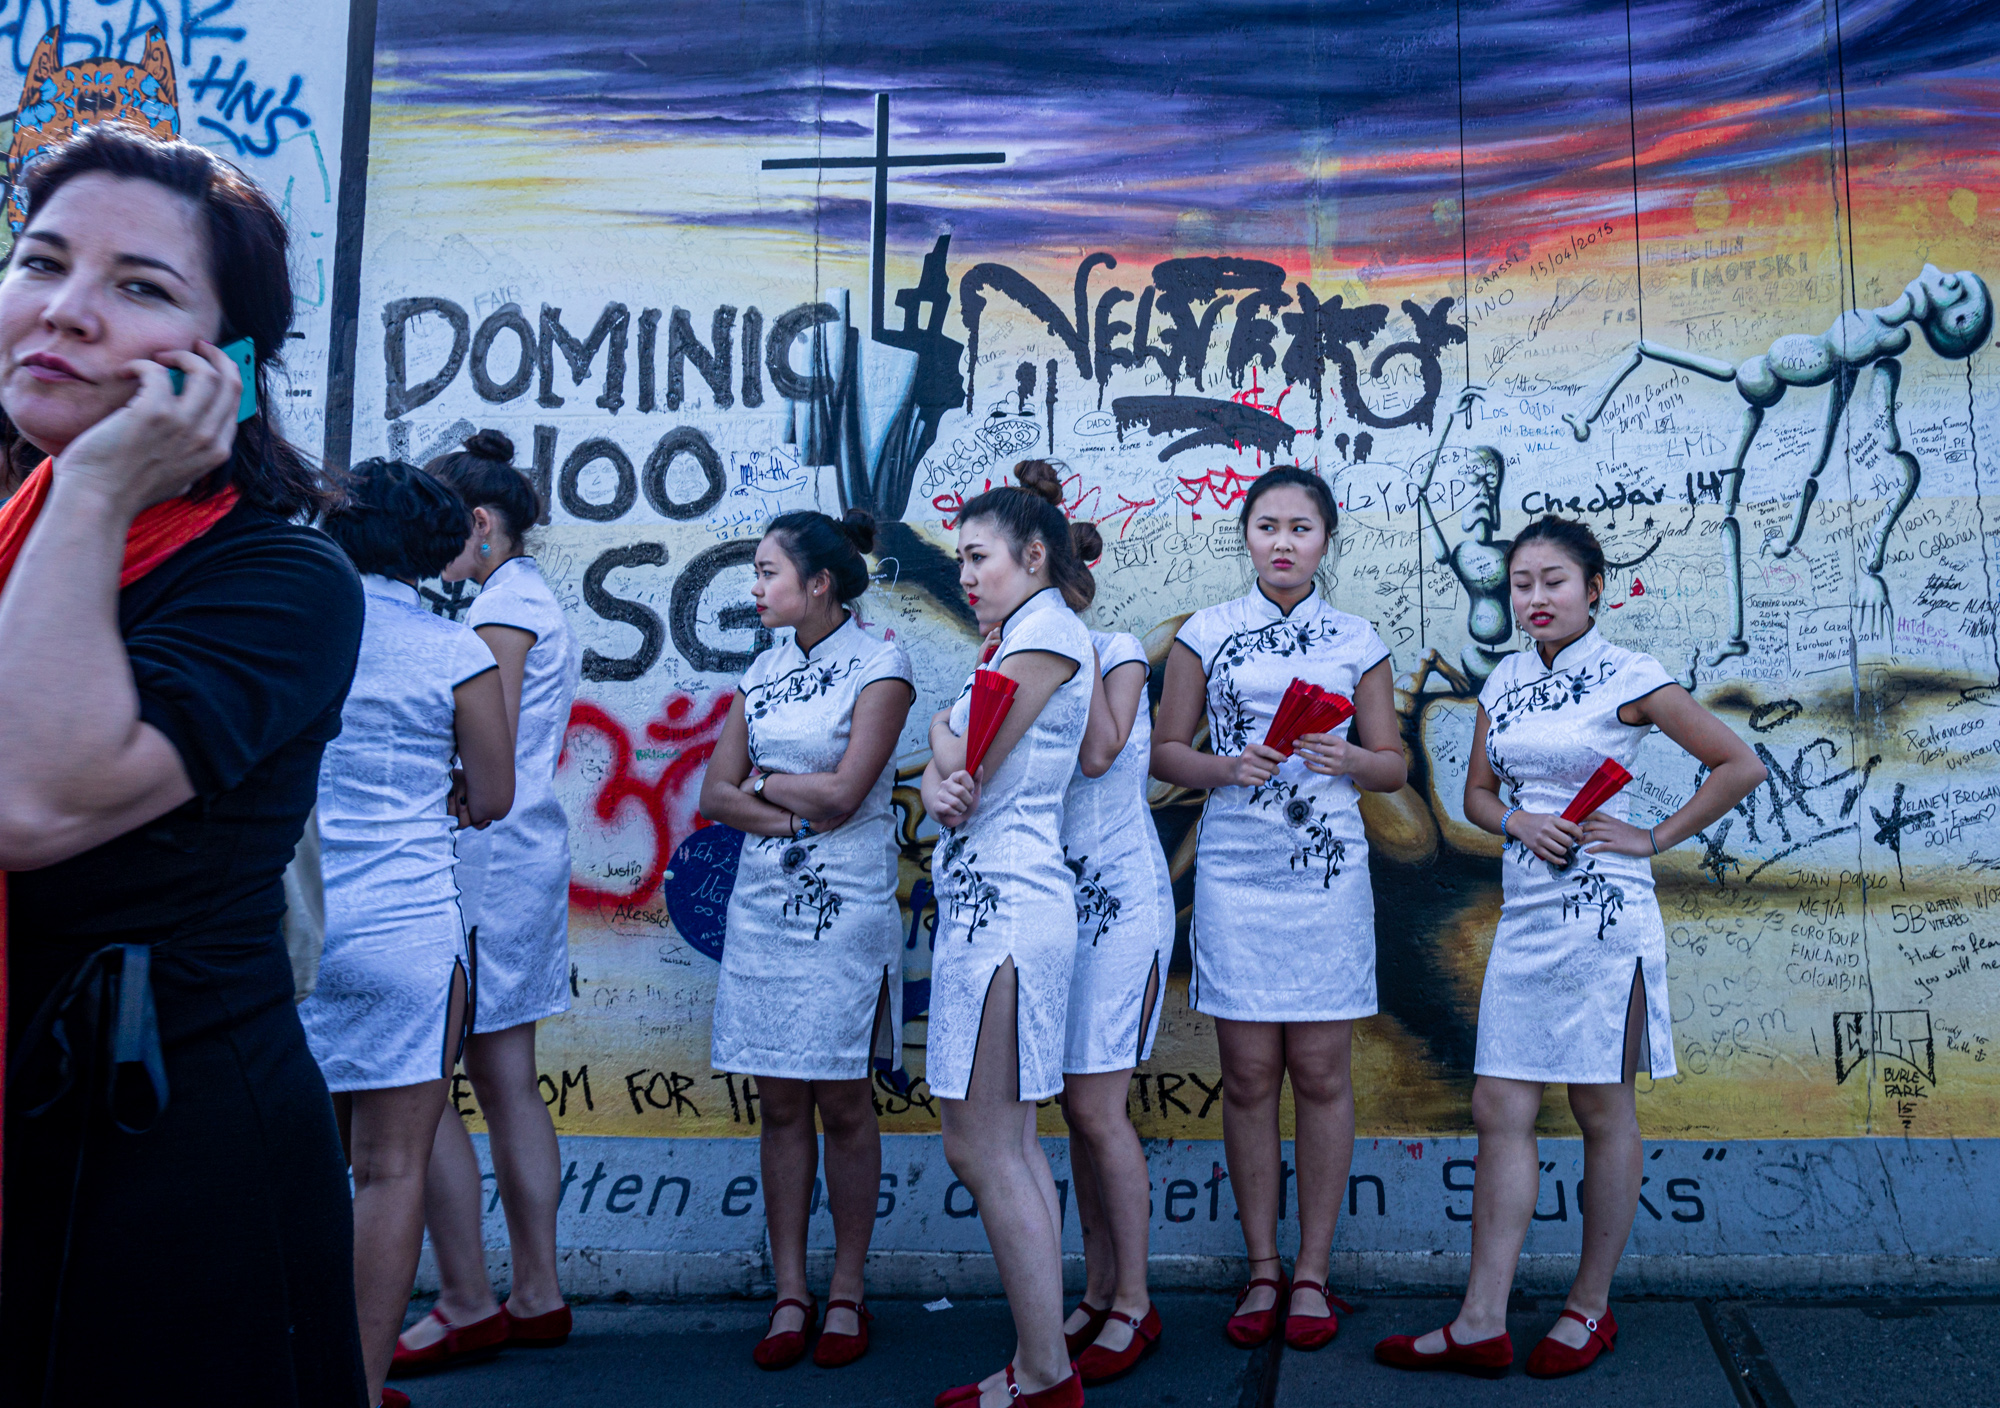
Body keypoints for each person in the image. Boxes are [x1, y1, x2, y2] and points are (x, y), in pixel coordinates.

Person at [0, 126, 368, 1403]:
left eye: (140, 288)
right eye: (41, 262)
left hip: (158, 1160)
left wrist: (95, 490)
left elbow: (34, 800)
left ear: (230, 364)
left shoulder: (282, 576)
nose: (67, 311)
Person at [1375, 516, 1764, 1379]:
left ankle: (1589, 1309)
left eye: (1553, 581)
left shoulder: (1633, 676)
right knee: (1498, 1110)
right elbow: (1478, 795)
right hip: (1526, 920)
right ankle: (1481, 1320)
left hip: (1603, 920)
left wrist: (1655, 836)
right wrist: (1519, 819)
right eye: (1521, 584)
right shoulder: (1506, 678)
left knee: (1599, 1110)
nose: (1534, 598)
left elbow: (1738, 764)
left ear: (1595, 588)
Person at [1151, 466, 1407, 1352]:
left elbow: (1394, 765)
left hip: (1327, 877)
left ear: (1326, 540)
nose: (1283, 542)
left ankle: (1313, 1274)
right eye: (1267, 526)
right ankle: (1262, 1268)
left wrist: (1348, 759)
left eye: (1301, 527)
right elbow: (1165, 751)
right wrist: (1227, 767)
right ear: (1247, 536)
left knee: (1324, 1076)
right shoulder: (1207, 634)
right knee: (1252, 1076)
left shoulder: (1355, 637)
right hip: (1236, 870)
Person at [302, 458, 516, 1408]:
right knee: (389, 1173)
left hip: (293, 932)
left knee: (296, 1167)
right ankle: (361, 1384)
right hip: (410, 935)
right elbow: (495, 793)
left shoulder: (297, 627)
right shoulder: (453, 647)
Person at [697, 508, 915, 1371]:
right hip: (764, 907)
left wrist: (770, 786)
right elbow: (715, 797)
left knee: (844, 1103)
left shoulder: (883, 665)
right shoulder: (763, 669)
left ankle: (849, 1290)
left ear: (818, 582)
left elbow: (849, 792)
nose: (754, 589)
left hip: (848, 912)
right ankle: (791, 1292)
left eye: (766, 573)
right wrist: (788, 819)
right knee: (780, 1103)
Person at [394, 430, 580, 1375]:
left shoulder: (503, 609)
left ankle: (472, 1298)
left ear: (478, 524)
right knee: (508, 1082)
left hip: (484, 859)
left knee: (425, 1083)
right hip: (515, 858)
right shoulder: (517, 597)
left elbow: (487, 740)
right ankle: (534, 1293)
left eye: (441, 523)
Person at [924, 461, 1095, 1408]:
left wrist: (949, 751)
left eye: (979, 557)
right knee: (1000, 1142)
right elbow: (936, 767)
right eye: (958, 559)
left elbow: (963, 754)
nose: (965, 574)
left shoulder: (1045, 633)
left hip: (1013, 904)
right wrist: (946, 757)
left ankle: (1043, 1372)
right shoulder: (1010, 635)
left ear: (1034, 555)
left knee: (988, 1143)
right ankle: (1044, 1364)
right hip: (990, 898)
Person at [1057, 564, 1175, 1387]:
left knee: (1100, 1106)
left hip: (1120, 900)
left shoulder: (1117, 650)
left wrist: (1071, 652)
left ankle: (1135, 1299)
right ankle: (1097, 1288)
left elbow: (1099, 757)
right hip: (1045, 904)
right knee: (1073, 1106)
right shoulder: (1002, 659)